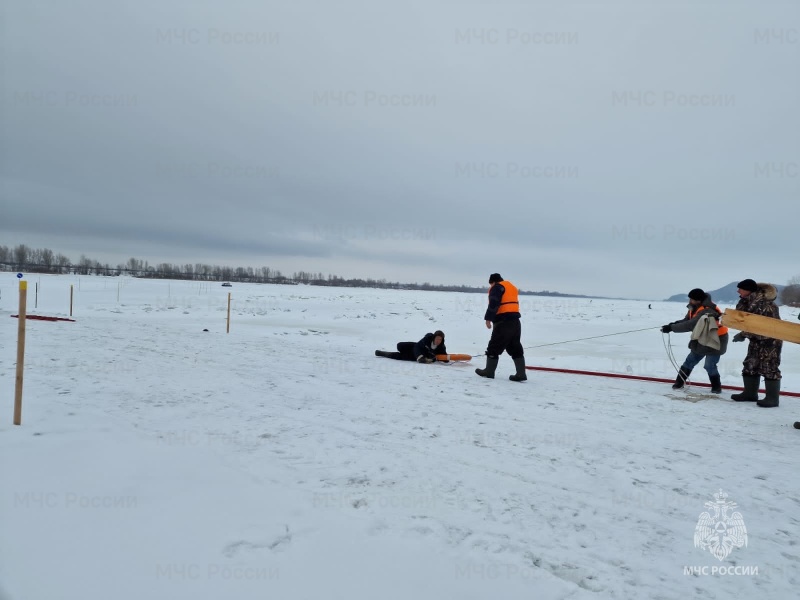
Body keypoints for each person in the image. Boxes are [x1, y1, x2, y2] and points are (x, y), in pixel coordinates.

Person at [661, 288, 729, 393]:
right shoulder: (695, 307)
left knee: (709, 365)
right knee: (689, 361)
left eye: (692, 299)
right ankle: (679, 382)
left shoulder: (707, 310)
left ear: (698, 300)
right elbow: (687, 320)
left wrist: (672, 328)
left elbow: (691, 325)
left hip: (716, 340)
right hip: (701, 339)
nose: (689, 301)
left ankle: (716, 387)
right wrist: (672, 325)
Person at [729, 279, 782, 407]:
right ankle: (750, 393)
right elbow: (742, 317)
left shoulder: (766, 305)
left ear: (748, 290)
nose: (738, 291)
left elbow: (764, 327)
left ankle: (772, 399)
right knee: (750, 365)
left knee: (769, 367)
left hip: (770, 341)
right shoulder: (749, 302)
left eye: (740, 289)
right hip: (756, 340)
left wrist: (743, 334)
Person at [475, 273, 526, 381]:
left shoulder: (497, 287)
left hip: (504, 322)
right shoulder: (511, 287)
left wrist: (488, 319)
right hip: (515, 322)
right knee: (514, 346)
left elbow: (493, 303)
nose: (491, 286)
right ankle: (521, 374)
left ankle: (489, 371)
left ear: (493, 282)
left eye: (491, 284)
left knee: (494, 346)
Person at [375, 331, 447, 363]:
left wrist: (446, 359)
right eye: (437, 338)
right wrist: (420, 357)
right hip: (414, 348)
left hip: (414, 357)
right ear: (434, 338)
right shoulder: (427, 339)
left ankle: (383, 353)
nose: (438, 341)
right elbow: (417, 346)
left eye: (440, 339)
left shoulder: (441, 347)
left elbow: (444, 357)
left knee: (398, 356)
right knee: (399, 345)